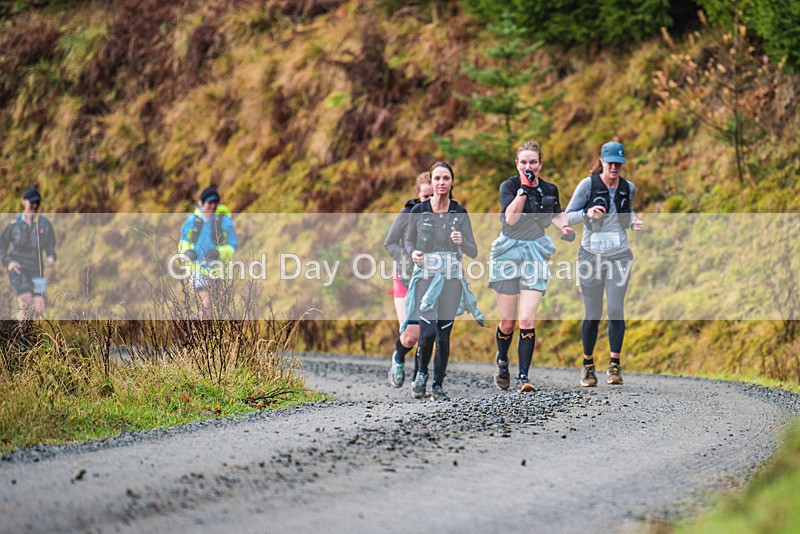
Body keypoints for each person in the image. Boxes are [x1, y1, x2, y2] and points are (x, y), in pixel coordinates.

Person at [488, 141, 575, 392]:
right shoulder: (510, 186)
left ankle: (523, 378)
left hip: (536, 252)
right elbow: (510, 219)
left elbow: (556, 212)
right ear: (517, 164)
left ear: (540, 164)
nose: (528, 166)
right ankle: (502, 359)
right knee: (508, 322)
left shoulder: (549, 188)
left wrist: (565, 227)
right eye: (523, 162)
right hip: (507, 252)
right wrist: (523, 191)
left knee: (526, 319)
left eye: (533, 162)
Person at [564, 141, 644, 387]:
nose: (615, 168)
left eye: (619, 164)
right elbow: (566, 215)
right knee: (593, 313)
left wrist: (633, 221)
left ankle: (614, 364)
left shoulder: (628, 188)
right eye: (611, 163)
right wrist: (586, 214)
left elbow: (626, 212)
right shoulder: (587, 185)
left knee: (616, 309)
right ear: (602, 161)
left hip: (619, 255)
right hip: (590, 255)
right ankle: (588, 365)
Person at [403, 161, 482, 401]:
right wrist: (413, 253)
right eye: (437, 178)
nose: (441, 183)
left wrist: (461, 242)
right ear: (432, 181)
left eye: (445, 178)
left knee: (443, 336)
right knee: (427, 334)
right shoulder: (419, 211)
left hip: (451, 280)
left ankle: (437, 384)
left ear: (452, 182)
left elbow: (474, 251)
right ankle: (421, 375)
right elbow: (408, 242)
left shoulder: (459, 212)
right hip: (426, 279)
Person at [384, 172, 434, 388]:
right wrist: (407, 257)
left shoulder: (445, 215)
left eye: (432, 196)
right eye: (425, 196)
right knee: (410, 336)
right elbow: (390, 243)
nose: (429, 201)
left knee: (427, 333)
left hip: (432, 280)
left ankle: (418, 378)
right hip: (405, 278)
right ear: (418, 195)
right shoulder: (407, 214)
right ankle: (398, 357)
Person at [178, 186, 238, 318]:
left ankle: (199, 329)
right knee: (206, 300)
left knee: (215, 305)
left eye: (215, 202)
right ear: (203, 203)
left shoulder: (223, 220)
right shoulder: (193, 220)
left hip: (216, 268)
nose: (213, 205)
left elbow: (232, 244)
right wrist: (187, 252)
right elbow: (183, 240)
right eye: (210, 202)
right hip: (196, 267)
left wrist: (219, 252)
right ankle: (199, 329)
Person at [0, 187, 57, 320]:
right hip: (18, 267)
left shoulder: (44, 224)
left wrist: (51, 255)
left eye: (37, 202)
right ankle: (22, 337)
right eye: (32, 202)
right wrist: (8, 261)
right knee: (26, 302)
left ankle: (19, 327)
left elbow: (50, 243)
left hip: (37, 268)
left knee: (39, 308)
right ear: (24, 202)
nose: (34, 206)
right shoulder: (13, 224)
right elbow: (1, 246)